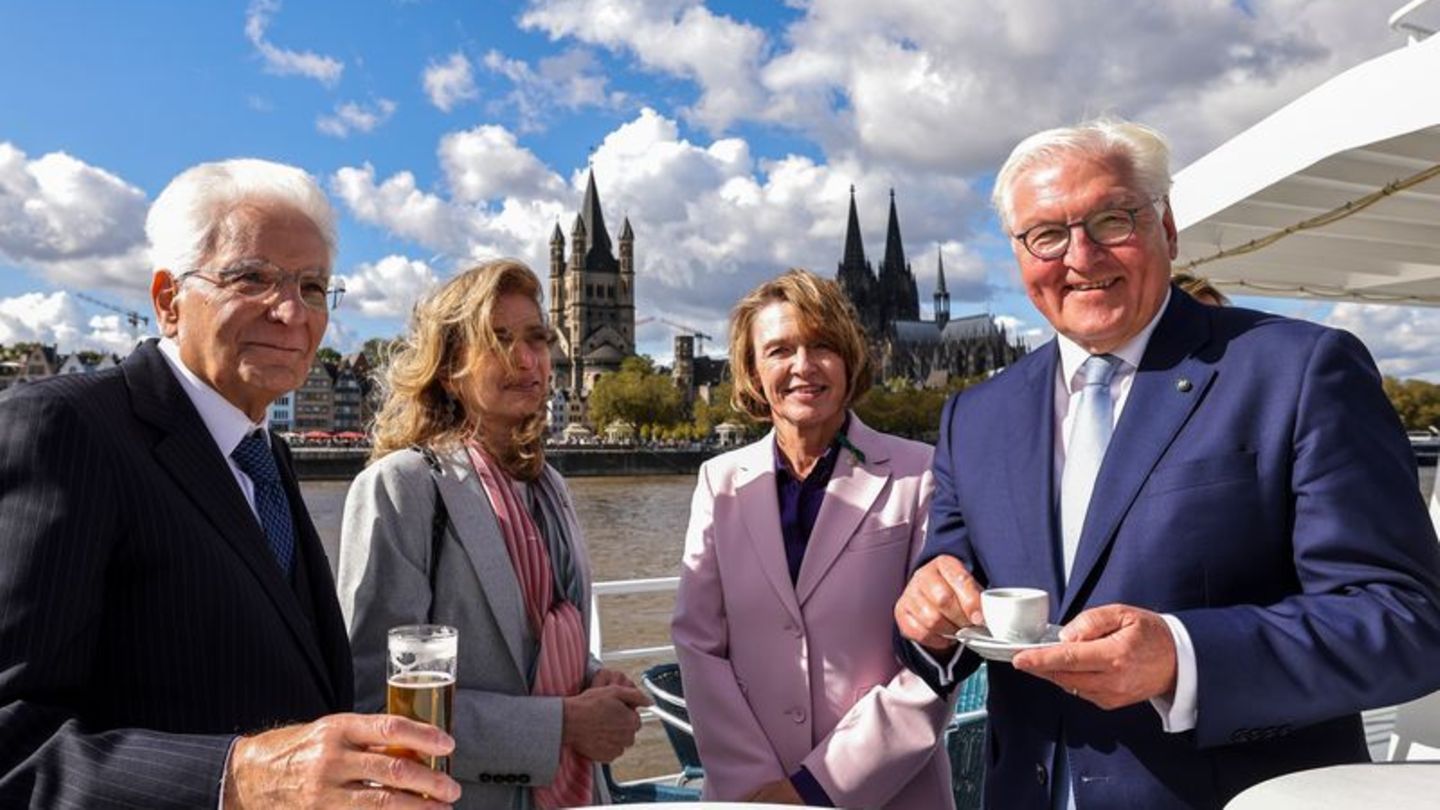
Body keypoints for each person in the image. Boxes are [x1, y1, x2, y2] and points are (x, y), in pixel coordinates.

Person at [893, 118, 1440, 808]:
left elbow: (1405, 620)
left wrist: (1182, 656)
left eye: (1113, 219)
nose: (1081, 256)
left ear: (1167, 228)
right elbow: (946, 603)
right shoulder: (975, 416)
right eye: (1047, 235)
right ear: (1020, 254)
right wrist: (927, 614)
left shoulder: (1298, 371)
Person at [0, 158, 459, 808]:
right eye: (252, 277)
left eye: (314, 288)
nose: (290, 312)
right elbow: (12, 746)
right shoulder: (62, 427)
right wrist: (239, 777)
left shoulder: (264, 450)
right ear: (167, 301)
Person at [337, 259, 648, 809]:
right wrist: (561, 726)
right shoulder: (402, 486)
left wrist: (596, 682)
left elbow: (540, 651)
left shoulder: (548, 486)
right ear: (450, 364)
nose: (526, 359)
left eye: (537, 338)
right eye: (497, 340)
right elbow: (376, 704)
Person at [673, 269, 955, 808]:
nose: (803, 366)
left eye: (823, 345)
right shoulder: (719, 479)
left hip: (888, 791)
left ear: (850, 359)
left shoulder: (922, 474)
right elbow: (697, 642)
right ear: (754, 372)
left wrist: (815, 789)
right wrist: (758, 786)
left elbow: (933, 659)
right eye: (779, 350)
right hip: (749, 796)